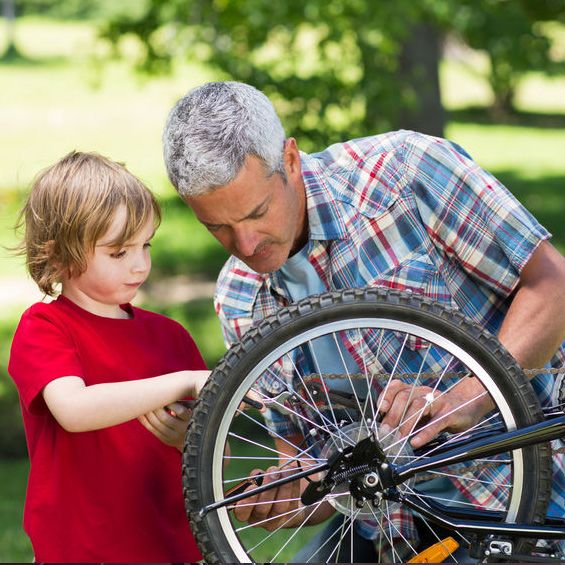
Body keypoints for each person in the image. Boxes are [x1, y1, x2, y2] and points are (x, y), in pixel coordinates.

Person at [162, 81, 565, 560]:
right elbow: (308, 474)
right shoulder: (238, 297)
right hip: (396, 531)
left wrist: (471, 396)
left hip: (528, 497)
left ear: (289, 160)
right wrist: (272, 493)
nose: (246, 245)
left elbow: (553, 285)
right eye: (219, 228)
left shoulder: (407, 174)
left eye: (257, 213)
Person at [8, 151, 210, 563]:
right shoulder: (45, 328)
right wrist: (185, 381)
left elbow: (220, 449)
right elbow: (75, 410)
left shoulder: (170, 336)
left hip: (170, 548)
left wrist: (194, 439)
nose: (140, 265)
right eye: (118, 252)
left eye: (146, 245)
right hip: (82, 551)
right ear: (59, 255)